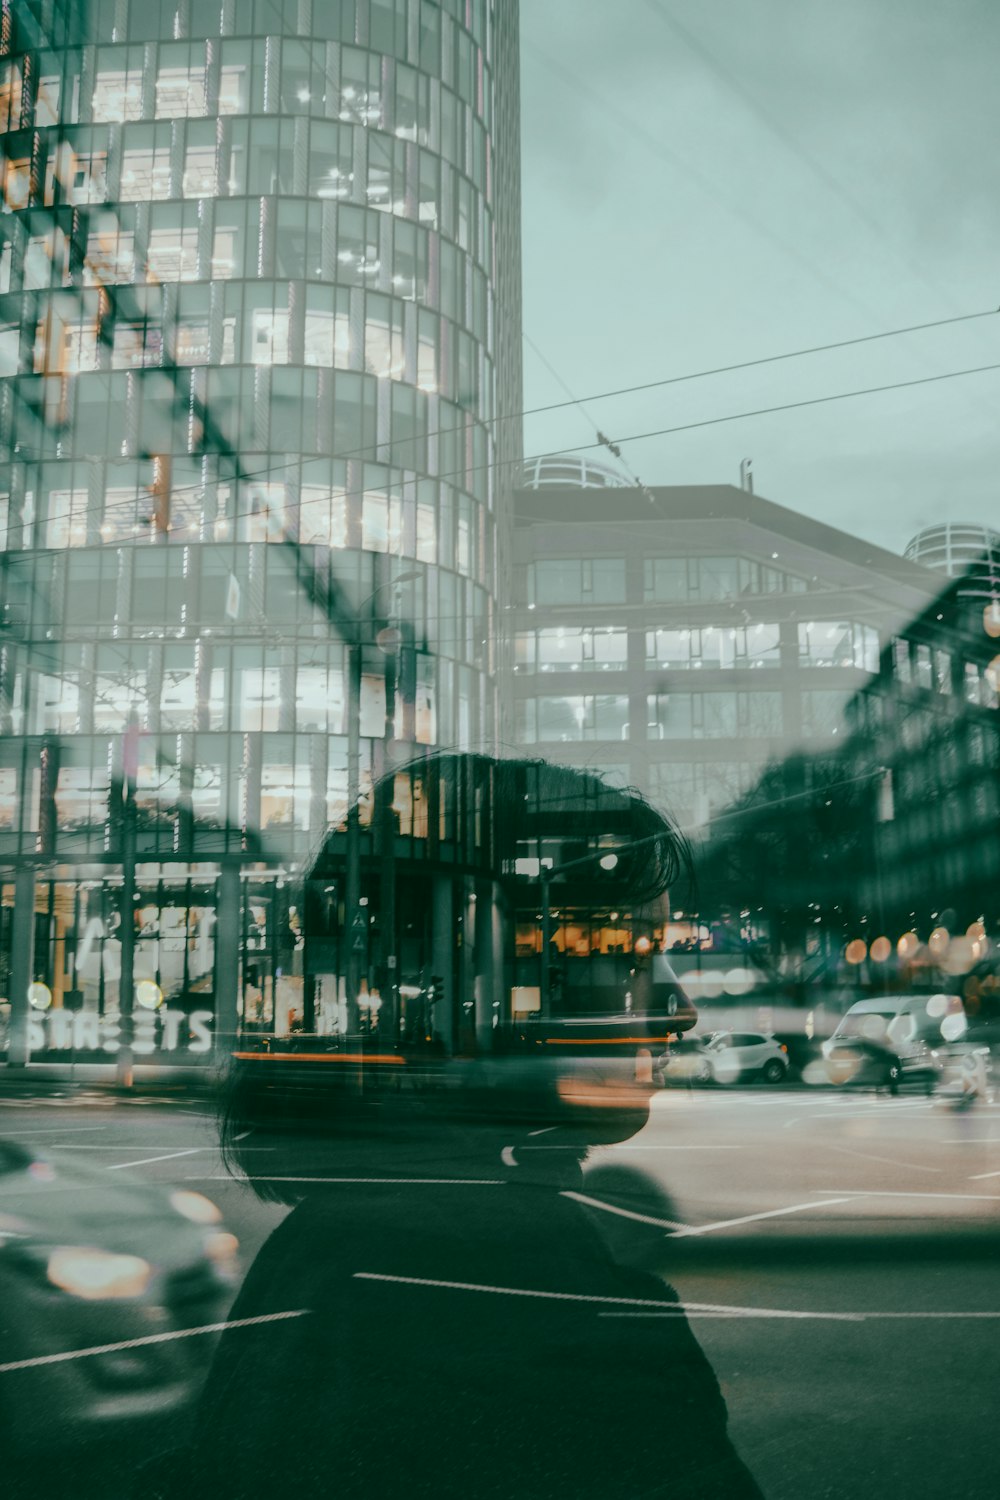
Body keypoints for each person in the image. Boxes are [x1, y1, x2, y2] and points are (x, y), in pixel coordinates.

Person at [144, 756, 762, 1499]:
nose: (678, 1007)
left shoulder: (339, 1239)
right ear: (481, 981)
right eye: (628, 949)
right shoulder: (521, 1291)